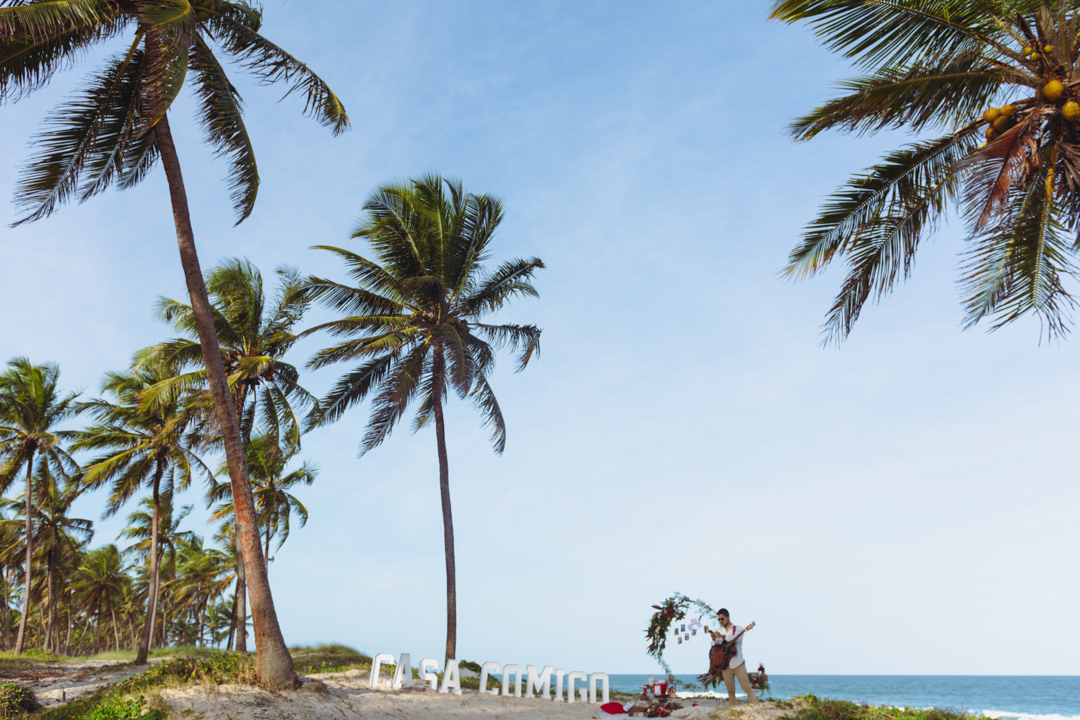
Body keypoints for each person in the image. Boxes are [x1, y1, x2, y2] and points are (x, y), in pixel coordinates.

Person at [708, 608, 758, 707]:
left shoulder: (738, 629)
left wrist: (722, 637)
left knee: (747, 687)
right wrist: (714, 639)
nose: (721, 621)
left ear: (728, 617)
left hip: (738, 663)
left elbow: (735, 639)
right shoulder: (720, 631)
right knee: (730, 691)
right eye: (719, 620)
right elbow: (715, 647)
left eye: (722, 619)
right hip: (725, 665)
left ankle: (757, 708)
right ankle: (734, 711)